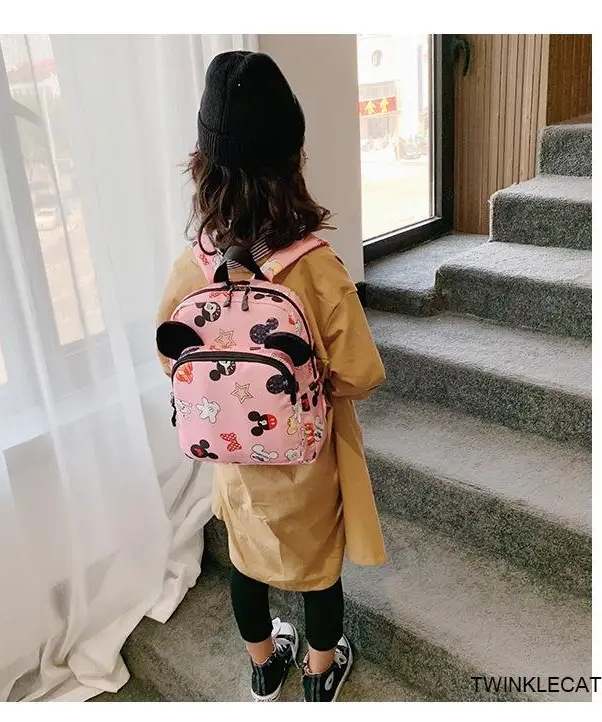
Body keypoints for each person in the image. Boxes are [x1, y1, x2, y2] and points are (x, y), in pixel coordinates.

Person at [157, 51, 387, 703]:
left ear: (203, 165)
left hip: (231, 454)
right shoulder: (315, 266)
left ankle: (263, 667)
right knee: (317, 571)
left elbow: (172, 355)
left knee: (246, 560)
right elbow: (360, 371)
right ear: (294, 160)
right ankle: (319, 671)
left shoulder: (194, 265)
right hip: (305, 459)